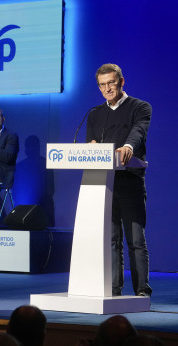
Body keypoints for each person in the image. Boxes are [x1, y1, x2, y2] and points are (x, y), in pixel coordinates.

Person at [86, 63, 152, 297]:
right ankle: (113, 290)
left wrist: (127, 146)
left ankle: (142, 290)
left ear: (121, 82)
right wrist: (91, 148)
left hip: (129, 181)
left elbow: (139, 131)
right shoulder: (94, 114)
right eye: (102, 85)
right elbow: (91, 144)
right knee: (111, 239)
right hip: (103, 182)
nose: (107, 89)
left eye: (111, 83)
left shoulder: (140, 107)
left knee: (135, 239)